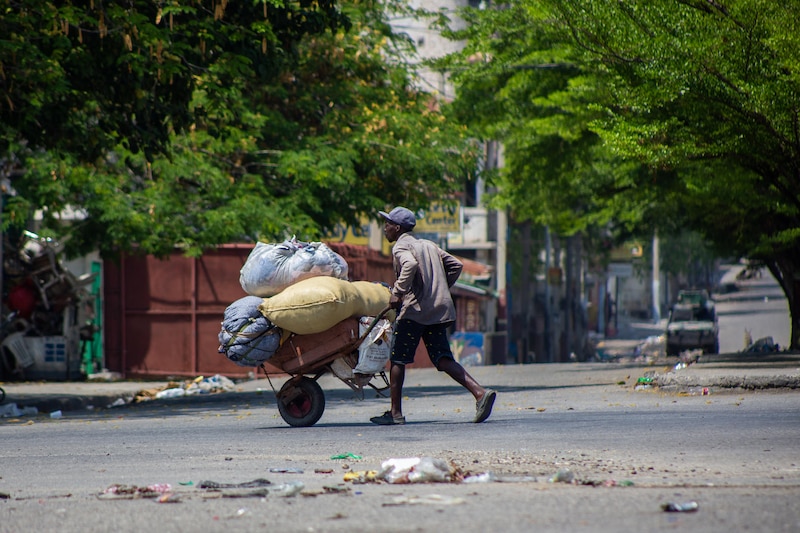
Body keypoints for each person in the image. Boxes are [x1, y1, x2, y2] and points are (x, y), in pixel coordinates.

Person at [370, 206, 497, 425]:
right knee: (443, 358)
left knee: (398, 359)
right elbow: (456, 265)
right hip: (438, 311)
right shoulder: (428, 245)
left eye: (388, 224)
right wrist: (439, 288)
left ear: (397, 228)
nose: (385, 228)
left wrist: (398, 292)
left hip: (414, 312)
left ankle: (395, 413)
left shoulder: (401, 246)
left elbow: (409, 265)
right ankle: (479, 393)